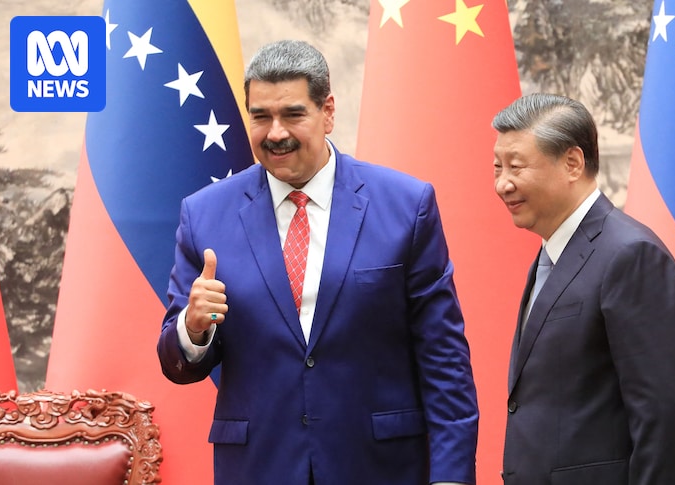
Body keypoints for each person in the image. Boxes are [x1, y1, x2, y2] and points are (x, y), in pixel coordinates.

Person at [157, 40, 478, 485]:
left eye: (292, 115)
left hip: (381, 468)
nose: (275, 133)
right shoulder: (204, 214)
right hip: (259, 468)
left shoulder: (407, 205)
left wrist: (451, 477)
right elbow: (177, 365)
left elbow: (443, 358)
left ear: (327, 112)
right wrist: (193, 329)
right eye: (260, 117)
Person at [491, 93, 675, 484]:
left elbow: (662, 420)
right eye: (497, 167)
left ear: (572, 163)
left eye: (516, 167)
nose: (503, 184)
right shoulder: (551, 254)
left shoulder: (631, 255)